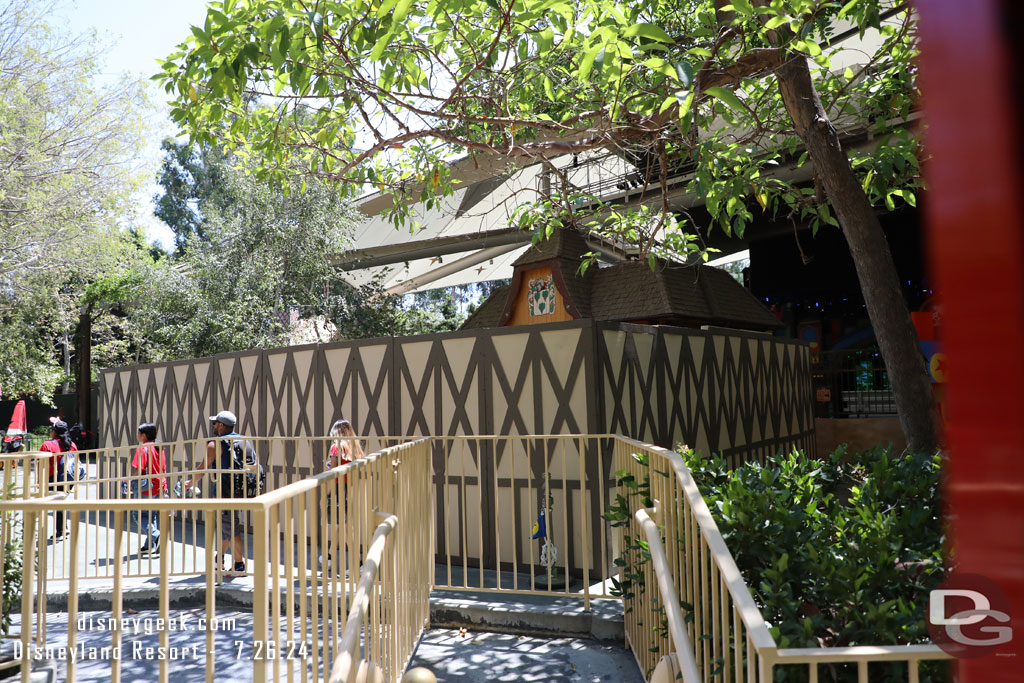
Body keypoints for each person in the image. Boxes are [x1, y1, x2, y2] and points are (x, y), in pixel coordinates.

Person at [184, 410, 253, 576]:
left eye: (215, 423)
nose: (214, 426)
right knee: (226, 526)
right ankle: (219, 559)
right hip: (240, 490)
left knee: (231, 528)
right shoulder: (244, 441)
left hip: (225, 491)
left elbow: (203, 467)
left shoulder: (215, 444)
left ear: (221, 425)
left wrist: (190, 483)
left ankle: (238, 565)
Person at [130, 423, 167, 555]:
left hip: (146, 487)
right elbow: (163, 468)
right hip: (159, 485)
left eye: (138, 433)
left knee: (138, 515)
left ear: (144, 435)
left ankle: (156, 535)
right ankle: (149, 545)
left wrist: (129, 479)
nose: (137, 435)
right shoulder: (158, 447)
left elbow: (138, 469)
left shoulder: (143, 449)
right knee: (151, 516)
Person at [38, 420, 79, 540]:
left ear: (54, 432)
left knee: (51, 502)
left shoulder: (47, 445)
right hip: (69, 478)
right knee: (60, 501)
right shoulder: (72, 445)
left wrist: (39, 480)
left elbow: (41, 464)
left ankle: (60, 531)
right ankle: (63, 529)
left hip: (53, 477)